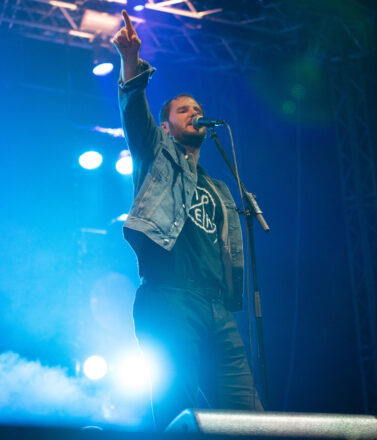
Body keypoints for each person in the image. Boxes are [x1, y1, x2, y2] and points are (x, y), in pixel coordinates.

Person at [113, 10, 263, 430]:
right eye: (183, 110)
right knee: (180, 413)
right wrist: (130, 60)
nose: (194, 112)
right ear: (166, 124)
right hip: (170, 298)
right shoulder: (154, 152)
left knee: (250, 421)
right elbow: (133, 108)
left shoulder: (219, 188)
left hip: (216, 308)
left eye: (197, 108)